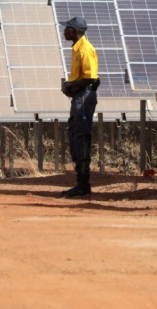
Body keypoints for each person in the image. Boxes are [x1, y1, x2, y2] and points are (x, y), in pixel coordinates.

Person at [58, 16, 100, 198]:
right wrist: (70, 87)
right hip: (79, 97)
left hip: (84, 98)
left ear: (74, 31)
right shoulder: (76, 49)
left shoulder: (85, 49)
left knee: (80, 136)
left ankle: (83, 184)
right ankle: (81, 183)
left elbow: (91, 78)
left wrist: (71, 86)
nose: (64, 31)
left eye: (67, 28)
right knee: (75, 135)